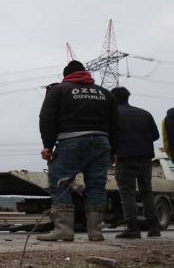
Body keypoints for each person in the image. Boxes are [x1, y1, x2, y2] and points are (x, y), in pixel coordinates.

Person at [37, 60, 119, 242]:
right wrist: (114, 150)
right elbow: (115, 124)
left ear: (65, 75)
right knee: (96, 186)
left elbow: (47, 118)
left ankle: (64, 230)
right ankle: (95, 233)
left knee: (61, 182)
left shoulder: (58, 90)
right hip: (101, 142)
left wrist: (48, 146)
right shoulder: (104, 93)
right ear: (85, 73)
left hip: (71, 141)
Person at [111, 87, 160, 238]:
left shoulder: (112, 116)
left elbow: (109, 138)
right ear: (128, 97)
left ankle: (133, 229)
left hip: (125, 158)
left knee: (127, 194)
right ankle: (154, 228)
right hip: (145, 158)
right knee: (147, 192)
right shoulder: (145, 113)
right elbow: (155, 136)